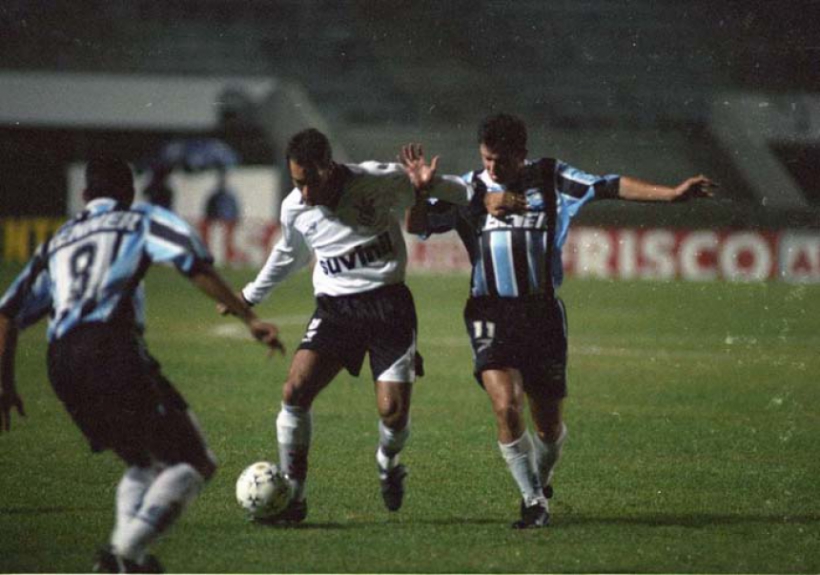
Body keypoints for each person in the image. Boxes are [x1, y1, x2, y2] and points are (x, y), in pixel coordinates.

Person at [405, 113, 715, 529]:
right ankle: (533, 500)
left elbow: (608, 185)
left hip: (542, 314)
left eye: (502, 161)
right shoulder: (469, 188)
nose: (493, 169)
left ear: (523, 155)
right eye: (487, 159)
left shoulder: (551, 178)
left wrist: (672, 195)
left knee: (547, 428)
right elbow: (417, 224)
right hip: (489, 310)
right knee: (505, 405)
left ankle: (542, 476)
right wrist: (420, 192)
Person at [0, 157, 284, 572]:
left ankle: (123, 559)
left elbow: (8, 311)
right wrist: (249, 317)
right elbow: (191, 261)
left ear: (84, 196)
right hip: (110, 349)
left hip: (60, 362)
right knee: (193, 463)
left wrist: (5, 382)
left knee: (142, 463)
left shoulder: (58, 240)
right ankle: (123, 555)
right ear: (129, 192)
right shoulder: (139, 218)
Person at [228, 128, 469, 523]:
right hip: (335, 310)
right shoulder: (296, 208)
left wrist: (480, 195)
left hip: (388, 307)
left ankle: (387, 463)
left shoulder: (376, 179)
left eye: (311, 181)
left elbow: (442, 192)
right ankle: (294, 497)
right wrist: (250, 295)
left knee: (392, 413)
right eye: (297, 182)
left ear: (329, 166)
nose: (304, 193)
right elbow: (288, 253)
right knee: (295, 389)